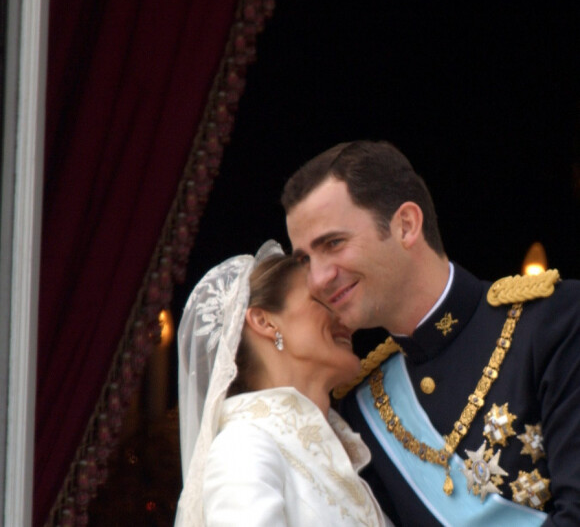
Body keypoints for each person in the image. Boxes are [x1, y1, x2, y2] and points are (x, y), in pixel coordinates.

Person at [281, 140, 580, 526]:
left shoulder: (556, 321)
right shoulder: (361, 408)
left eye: (334, 243)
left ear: (406, 225)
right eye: (305, 260)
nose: (318, 279)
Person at [174, 240, 391, 527]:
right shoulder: (243, 447)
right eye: (323, 300)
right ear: (264, 321)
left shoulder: (338, 456)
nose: (344, 316)